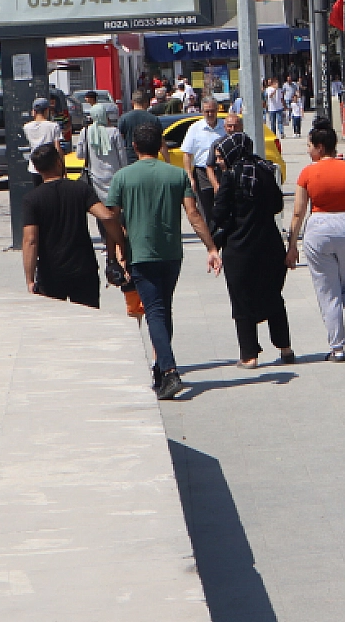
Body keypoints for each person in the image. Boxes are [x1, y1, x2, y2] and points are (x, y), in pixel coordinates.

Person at [107, 122, 222, 400]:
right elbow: (193, 214)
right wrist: (211, 247)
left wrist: (116, 250)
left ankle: (169, 371)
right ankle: (161, 371)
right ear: (161, 146)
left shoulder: (122, 177)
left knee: (154, 311)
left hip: (140, 253)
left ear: (134, 146)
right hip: (171, 254)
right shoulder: (176, 175)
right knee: (163, 308)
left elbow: (110, 218)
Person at [285, 118, 345, 362]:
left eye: (309, 146)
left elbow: (298, 212)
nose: (308, 151)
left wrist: (292, 245)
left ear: (319, 147)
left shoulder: (307, 173)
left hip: (319, 230)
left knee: (327, 291)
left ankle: (337, 348)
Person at [211, 132, 295, 368]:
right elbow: (277, 205)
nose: (218, 161)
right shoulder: (266, 170)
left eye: (220, 156)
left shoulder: (231, 176)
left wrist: (213, 241)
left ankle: (249, 356)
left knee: (241, 301)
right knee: (273, 297)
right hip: (270, 247)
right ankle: (285, 349)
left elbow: (218, 214)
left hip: (239, 250)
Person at [22, 143, 127, 308]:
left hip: (51, 272)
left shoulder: (32, 199)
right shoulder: (80, 189)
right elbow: (106, 217)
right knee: (88, 318)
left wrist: (29, 279)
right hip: (83, 269)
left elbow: (31, 240)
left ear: (37, 169)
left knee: (55, 319)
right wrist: (120, 244)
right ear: (59, 162)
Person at [179, 96, 225, 227]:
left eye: (212, 111)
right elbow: (187, 154)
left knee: (224, 204)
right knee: (206, 208)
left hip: (222, 171)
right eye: (206, 111)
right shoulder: (195, 128)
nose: (210, 114)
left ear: (217, 110)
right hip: (202, 173)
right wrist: (190, 177)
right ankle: (210, 234)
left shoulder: (225, 126)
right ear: (202, 111)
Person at [22, 98, 63, 189]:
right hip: (51, 166)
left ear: (34, 111)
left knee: (39, 191)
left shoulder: (27, 127)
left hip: (34, 166)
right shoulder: (53, 126)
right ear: (47, 110)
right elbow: (57, 148)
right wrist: (62, 166)